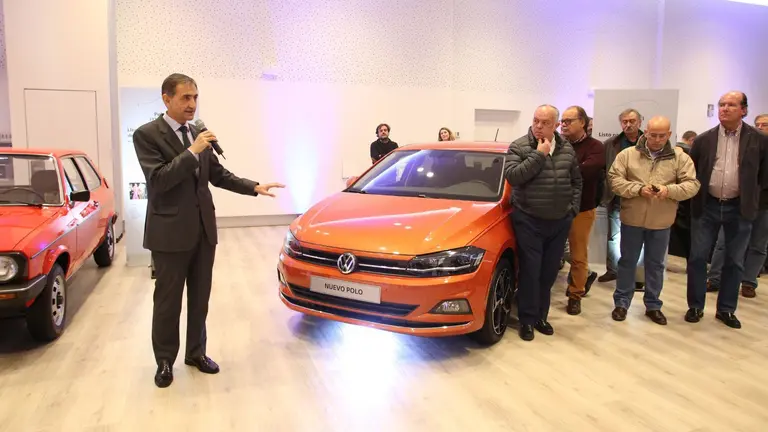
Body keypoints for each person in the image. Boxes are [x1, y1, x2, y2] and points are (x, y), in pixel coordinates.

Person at [133, 73, 285, 388]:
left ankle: (196, 352)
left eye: (195, 98)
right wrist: (191, 152)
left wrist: (254, 187)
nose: (192, 104)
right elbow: (159, 179)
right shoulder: (147, 135)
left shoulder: (198, 133)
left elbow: (217, 174)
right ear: (167, 99)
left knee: (200, 299)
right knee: (168, 302)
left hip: (203, 232)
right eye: (185, 98)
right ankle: (164, 361)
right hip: (169, 234)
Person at [686, 92, 768, 329]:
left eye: (731, 105)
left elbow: (763, 177)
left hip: (739, 207)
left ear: (744, 110)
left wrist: (752, 201)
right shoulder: (703, 140)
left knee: (734, 261)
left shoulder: (760, 140)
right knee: (698, 257)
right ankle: (695, 306)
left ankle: (726, 309)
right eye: (722, 105)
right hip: (707, 205)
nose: (724, 109)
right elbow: (693, 173)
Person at [607, 116, 699, 324]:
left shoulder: (680, 157)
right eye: (653, 135)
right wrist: (638, 189)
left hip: (662, 221)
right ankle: (621, 303)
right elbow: (614, 181)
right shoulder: (627, 155)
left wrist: (668, 191)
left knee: (656, 264)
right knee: (627, 262)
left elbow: (692, 185)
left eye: (661, 136)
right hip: (632, 218)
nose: (657, 140)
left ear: (669, 135)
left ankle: (653, 304)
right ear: (645, 132)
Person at [504, 105, 582, 341]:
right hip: (529, 219)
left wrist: (572, 210)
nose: (538, 126)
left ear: (556, 125)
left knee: (548, 273)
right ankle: (527, 320)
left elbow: (576, 181)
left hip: (559, 221)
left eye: (544, 123)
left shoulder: (567, 148)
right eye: (536, 120)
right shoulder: (519, 146)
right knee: (531, 271)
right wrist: (539, 155)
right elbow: (514, 176)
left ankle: (541, 316)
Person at [706, 113, 768, 298]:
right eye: (758, 124)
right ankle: (715, 278)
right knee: (723, 242)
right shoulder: (747, 145)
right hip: (738, 203)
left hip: (764, 204)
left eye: (765, 124)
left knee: (758, 244)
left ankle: (749, 281)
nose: (760, 127)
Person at [559, 106, 605, 315]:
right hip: (554, 207)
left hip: (582, 209)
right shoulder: (556, 145)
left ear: (583, 123)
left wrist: (558, 170)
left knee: (578, 255)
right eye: (562, 121)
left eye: (569, 121)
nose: (564, 124)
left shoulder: (596, 147)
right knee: (555, 253)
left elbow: (587, 171)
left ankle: (575, 294)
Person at [599, 108, 645, 288]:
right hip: (616, 197)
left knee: (640, 239)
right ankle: (613, 270)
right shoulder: (611, 144)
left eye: (632, 121)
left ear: (640, 122)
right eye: (625, 121)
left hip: (641, 198)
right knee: (614, 237)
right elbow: (603, 169)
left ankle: (638, 275)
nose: (628, 124)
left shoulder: (649, 142)